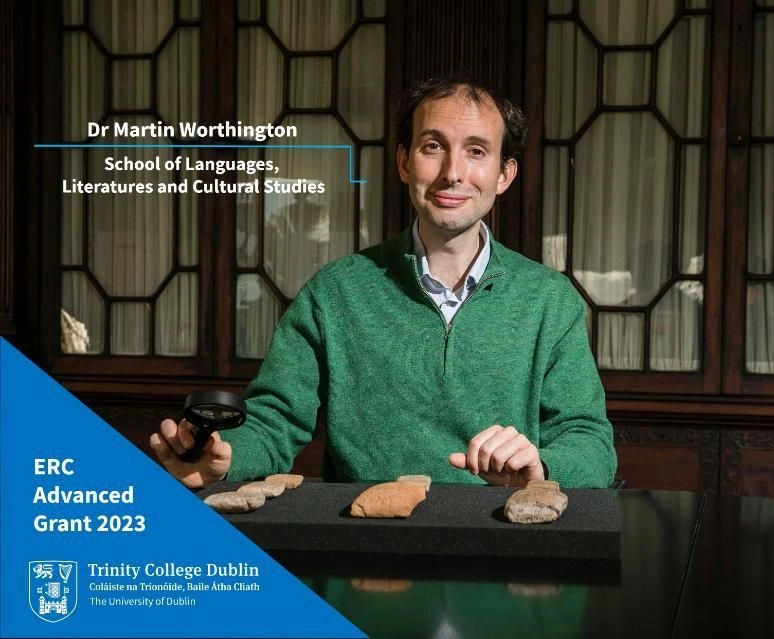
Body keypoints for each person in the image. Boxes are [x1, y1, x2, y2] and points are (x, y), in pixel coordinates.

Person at [150, 77, 617, 489]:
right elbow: (274, 421)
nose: (452, 172)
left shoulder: (550, 301)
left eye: (476, 151)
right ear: (403, 162)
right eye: (432, 146)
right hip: (364, 553)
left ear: (504, 175)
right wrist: (227, 456)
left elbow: (591, 445)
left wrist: (543, 467)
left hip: (505, 551)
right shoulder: (335, 292)